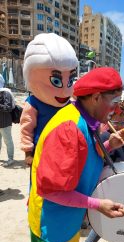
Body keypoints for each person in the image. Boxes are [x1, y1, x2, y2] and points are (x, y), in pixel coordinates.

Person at [28, 67, 124, 242]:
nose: (116, 109)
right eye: (114, 101)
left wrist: (110, 146)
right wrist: (97, 205)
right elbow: (52, 191)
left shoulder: (85, 117)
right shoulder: (69, 127)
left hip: (66, 219)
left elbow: (83, 155)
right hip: (54, 222)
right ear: (95, 97)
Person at [79, 103, 124, 242]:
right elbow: (100, 161)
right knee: (106, 218)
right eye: (116, 122)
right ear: (109, 120)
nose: (120, 126)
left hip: (122, 180)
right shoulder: (104, 137)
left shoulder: (122, 137)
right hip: (109, 182)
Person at [20, 33, 78, 165]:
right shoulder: (34, 103)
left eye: (70, 81)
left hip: (64, 152)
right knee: (38, 183)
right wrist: (28, 152)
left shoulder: (70, 104)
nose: (64, 90)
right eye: (56, 81)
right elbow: (26, 128)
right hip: (41, 152)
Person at [0, 74, 15, 167]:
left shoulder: (6, 92)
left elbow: (8, 107)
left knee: (8, 141)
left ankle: (10, 158)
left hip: (5, 122)